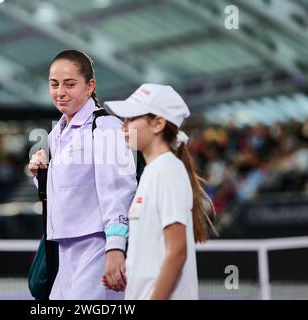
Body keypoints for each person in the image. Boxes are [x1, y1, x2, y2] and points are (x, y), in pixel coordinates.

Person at [28, 49, 137, 300]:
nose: (60, 92)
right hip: (64, 249)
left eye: (70, 84)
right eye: (54, 84)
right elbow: (72, 189)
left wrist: (115, 247)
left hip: (96, 247)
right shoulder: (57, 132)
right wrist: (40, 177)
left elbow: (119, 190)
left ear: (90, 86)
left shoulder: (105, 126)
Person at [104, 84, 217, 300]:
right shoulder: (155, 171)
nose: (123, 126)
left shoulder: (166, 170)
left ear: (158, 124)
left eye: (131, 119)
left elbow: (177, 253)